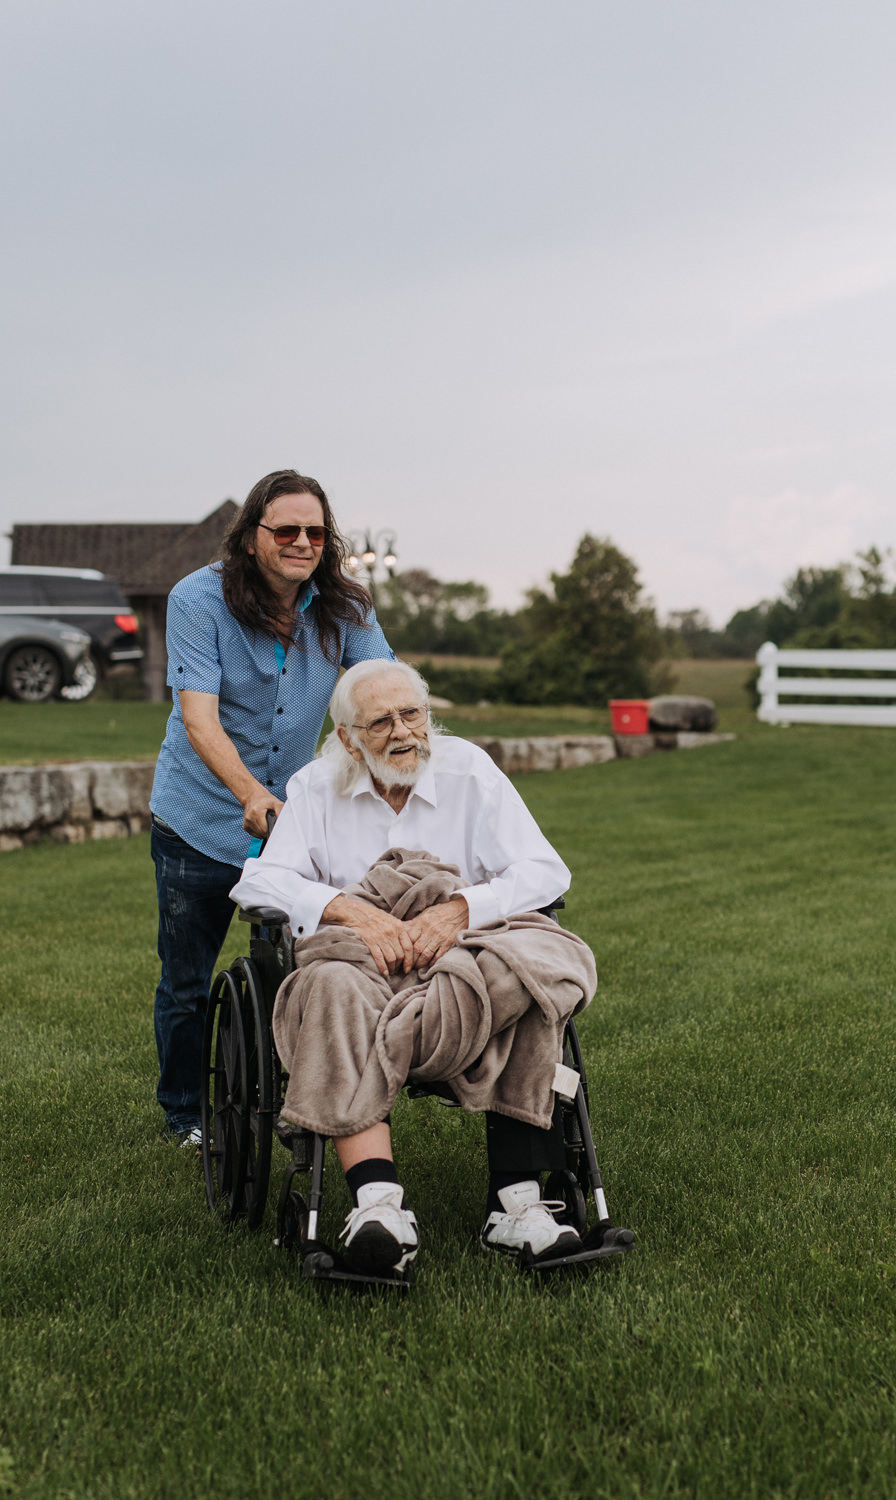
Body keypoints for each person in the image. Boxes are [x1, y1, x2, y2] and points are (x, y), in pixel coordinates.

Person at [230, 659, 598, 1275]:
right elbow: (258, 880)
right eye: (381, 722)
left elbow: (544, 871)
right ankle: (378, 1207)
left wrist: (459, 910)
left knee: (530, 977)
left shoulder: (470, 770)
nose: (404, 733)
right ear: (348, 737)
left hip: (462, 964)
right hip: (360, 968)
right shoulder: (317, 786)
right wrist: (348, 909)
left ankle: (517, 1205)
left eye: (413, 714)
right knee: (327, 984)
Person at [149, 471, 393, 1146]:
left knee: (308, 966)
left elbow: (380, 687)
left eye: (315, 532)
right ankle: (184, 1114)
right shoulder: (199, 599)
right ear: (253, 536)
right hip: (196, 819)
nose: (302, 542)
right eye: (285, 530)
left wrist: (404, 744)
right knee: (187, 981)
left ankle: (302, 1096)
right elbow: (197, 718)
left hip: (293, 823)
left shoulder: (345, 607)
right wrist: (250, 793)